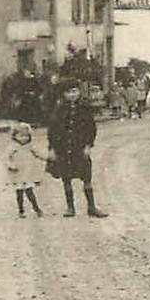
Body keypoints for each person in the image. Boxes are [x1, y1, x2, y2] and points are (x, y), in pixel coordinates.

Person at [47, 78, 106, 218]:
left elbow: (91, 128)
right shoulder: (59, 110)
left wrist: (88, 145)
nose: (72, 95)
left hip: (79, 148)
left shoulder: (84, 109)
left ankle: (91, 207)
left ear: (79, 92)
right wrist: (52, 149)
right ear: (63, 94)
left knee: (86, 177)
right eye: (68, 92)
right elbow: (53, 130)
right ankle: (70, 207)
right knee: (66, 178)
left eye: (74, 91)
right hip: (63, 148)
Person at [5, 123, 47, 218]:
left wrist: (47, 158)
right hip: (17, 173)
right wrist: (11, 165)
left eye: (26, 136)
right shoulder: (13, 147)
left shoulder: (30, 146)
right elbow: (6, 158)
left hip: (27, 173)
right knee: (19, 193)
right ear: (15, 136)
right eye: (21, 136)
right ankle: (21, 210)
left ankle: (36, 208)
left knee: (29, 191)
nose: (23, 138)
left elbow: (38, 153)